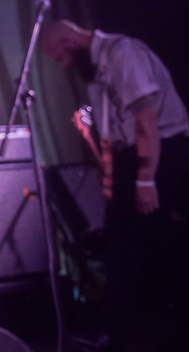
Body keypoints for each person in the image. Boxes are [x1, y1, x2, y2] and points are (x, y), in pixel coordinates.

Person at [41, 20, 189, 351]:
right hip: (138, 152)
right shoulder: (97, 69)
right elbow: (114, 128)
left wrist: (145, 178)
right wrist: (109, 166)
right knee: (162, 243)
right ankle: (170, 324)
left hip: (161, 147)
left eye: (60, 56)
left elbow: (146, 119)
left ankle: (113, 333)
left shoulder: (123, 53)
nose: (63, 64)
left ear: (71, 40)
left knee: (122, 242)